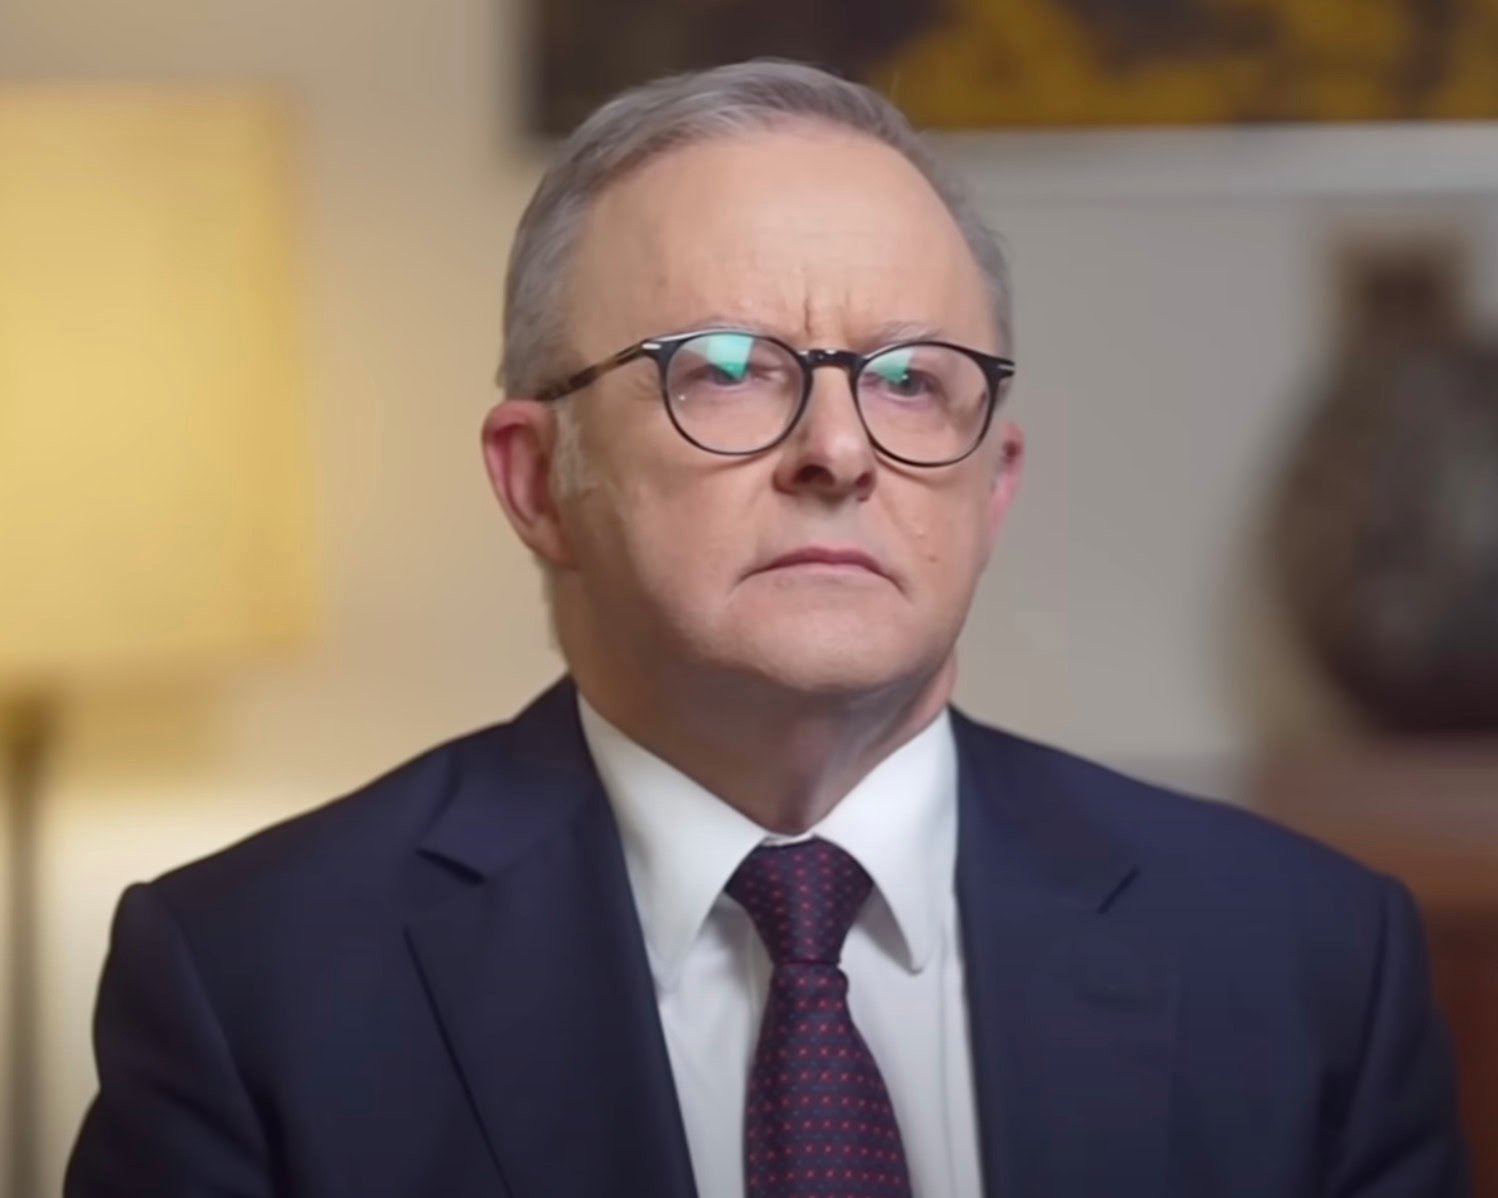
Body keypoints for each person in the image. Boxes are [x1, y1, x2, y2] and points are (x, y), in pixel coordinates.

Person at [66, 60, 1469, 1198]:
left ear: (994, 487)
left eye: (913, 380)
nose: (838, 450)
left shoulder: (1304, 958)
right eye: (726, 369)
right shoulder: (255, 981)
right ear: (532, 477)